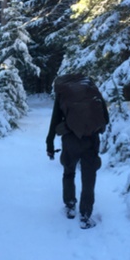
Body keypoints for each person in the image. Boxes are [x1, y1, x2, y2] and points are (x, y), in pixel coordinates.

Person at [46, 74, 110, 229]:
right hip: (91, 139)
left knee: (69, 172)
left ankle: (69, 206)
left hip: (70, 140)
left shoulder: (63, 92)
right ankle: (86, 215)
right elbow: (105, 118)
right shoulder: (91, 90)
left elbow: (55, 119)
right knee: (89, 177)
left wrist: (49, 143)